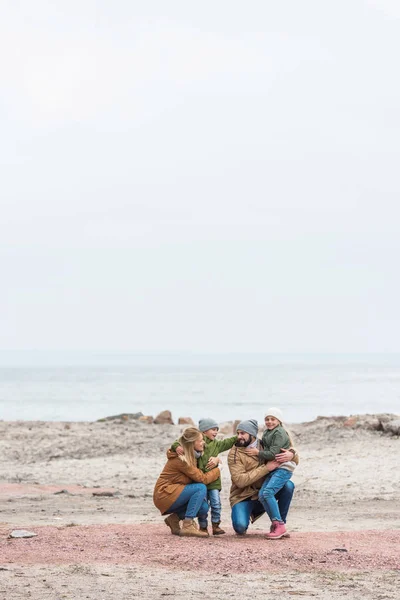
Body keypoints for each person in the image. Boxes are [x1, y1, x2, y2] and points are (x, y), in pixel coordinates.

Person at [228, 419, 298, 539]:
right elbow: (240, 481)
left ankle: (279, 525)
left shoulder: (265, 445)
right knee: (240, 527)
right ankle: (247, 512)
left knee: (288, 486)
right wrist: (266, 468)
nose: (239, 436)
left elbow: (292, 458)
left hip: (264, 492)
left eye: (242, 433)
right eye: (238, 433)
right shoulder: (234, 454)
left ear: (252, 434)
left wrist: (292, 454)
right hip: (244, 496)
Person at [170, 418, 237, 535]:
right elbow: (180, 441)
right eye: (213, 429)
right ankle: (203, 527)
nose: (216, 432)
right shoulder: (199, 443)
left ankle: (216, 525)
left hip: (214, 482)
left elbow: (228, 442)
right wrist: (176, 447)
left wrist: (240, 436)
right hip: (201, 482)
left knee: (216, 504)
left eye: (217, 429)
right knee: (203, 507)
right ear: (204, 431)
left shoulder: (217, 444)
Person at [153, 427, 221, 538]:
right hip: (164, 493)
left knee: (203, 507)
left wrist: (217, 459)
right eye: (200, 440)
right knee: (200, 487)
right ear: (191, 443)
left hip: (174, 493)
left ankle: (174, 519)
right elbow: (202, 478)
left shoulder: (193, 456)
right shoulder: (182, 459)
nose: (203, 442)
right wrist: (218, 469)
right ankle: (188, 525)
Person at [245, 407, 297, 539]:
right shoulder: (268, 432)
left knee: (267, 492)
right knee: (263, 495)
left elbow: (273, 453)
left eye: (272, 419)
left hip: (283, 468)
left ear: (279, 421)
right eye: (267, 419)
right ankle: (277, 524)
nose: (269, 422)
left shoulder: (279, 433)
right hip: (275, 469)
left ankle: (279, 524)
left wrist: (258, 453)